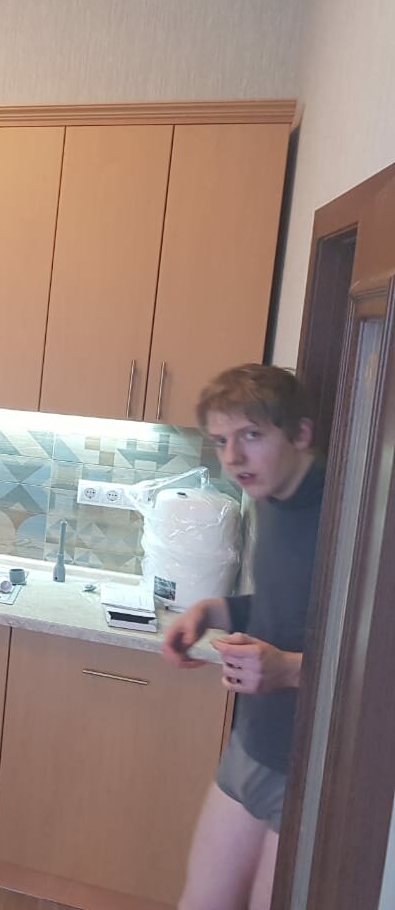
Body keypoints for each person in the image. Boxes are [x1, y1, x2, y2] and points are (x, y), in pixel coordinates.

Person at [162, 364, 326, 910]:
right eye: (221, 441)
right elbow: (286, 608)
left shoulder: (346, 514)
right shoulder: (269, 499)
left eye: (251, 435)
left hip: (310, 767)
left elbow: (370, 656)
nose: (232, 457)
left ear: (299, 434)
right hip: (253, 742)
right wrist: (215, 609)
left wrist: (290, 669)